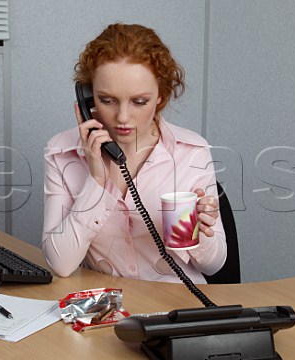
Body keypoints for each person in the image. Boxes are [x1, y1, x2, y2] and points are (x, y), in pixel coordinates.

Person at [42, 23, 226, 284]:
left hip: (176, 310)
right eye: (107, 100)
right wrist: (96, 180)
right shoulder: (61, 152)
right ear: (87, 98)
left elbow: (214, 265)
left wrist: (200, 232)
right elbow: (60, 264)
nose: (123, 118)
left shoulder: (192, 152)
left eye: (139, 102)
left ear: (161, 96)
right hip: (106, 310)